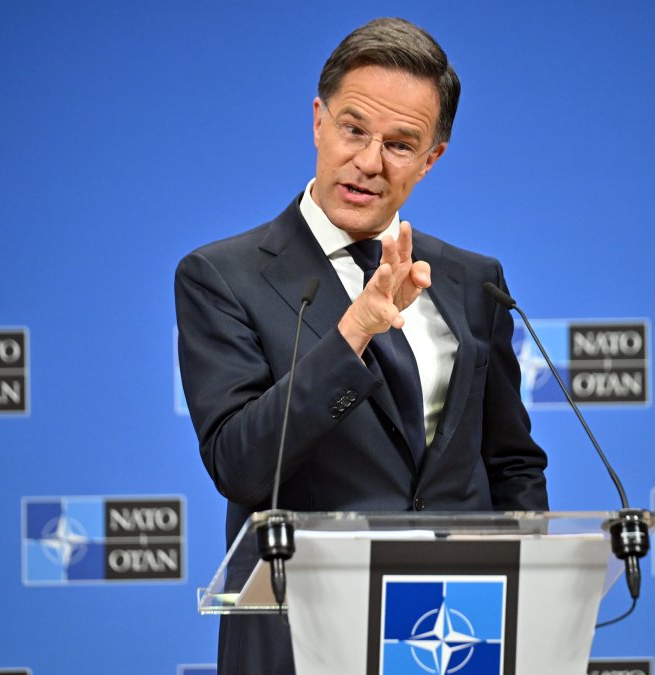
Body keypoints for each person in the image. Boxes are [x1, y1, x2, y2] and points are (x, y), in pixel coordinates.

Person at [175, 17, 548, 674]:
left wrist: (535, 603)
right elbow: (240, 462)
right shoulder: (223, 277)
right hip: (305, 641)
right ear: (318, 120)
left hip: (457, 640)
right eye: (354, 129)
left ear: (432, 156)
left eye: (401, 144)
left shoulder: (471, 280)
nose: (370, 162)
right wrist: (355, 331)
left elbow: (510, 462)